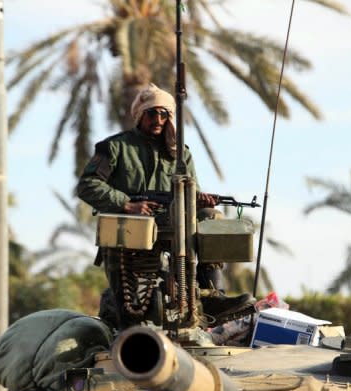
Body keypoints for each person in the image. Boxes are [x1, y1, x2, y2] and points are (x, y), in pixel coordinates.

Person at [77, 83, 253, 328]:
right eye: (152, 113)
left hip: (173, 221)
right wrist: (127, 204)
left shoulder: (180, 154)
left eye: (164, 114)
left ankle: (213, 296)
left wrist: (200, 199)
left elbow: (192, 191)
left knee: (211, 215)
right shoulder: (115, 147)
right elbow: (87, 186)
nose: (158, 119)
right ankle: (123, 315)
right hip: (130, 227)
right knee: (130, 315)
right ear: (140, 115)